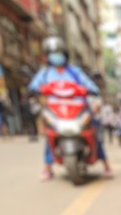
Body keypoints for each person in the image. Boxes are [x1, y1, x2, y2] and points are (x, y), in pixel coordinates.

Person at [28, 36, 112, 180]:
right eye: (53, 54)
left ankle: (106, 165)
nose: (56, 57)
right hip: (56, 110)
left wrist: (93, 89)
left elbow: (89, 84)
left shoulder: (75, 72)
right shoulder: (45, 73)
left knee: (94, 132)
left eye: (59, 53)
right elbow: (34, 86)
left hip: (77, 108)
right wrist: (33, 90)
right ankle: (47, 168)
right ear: (47, 56)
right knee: (50, 136)